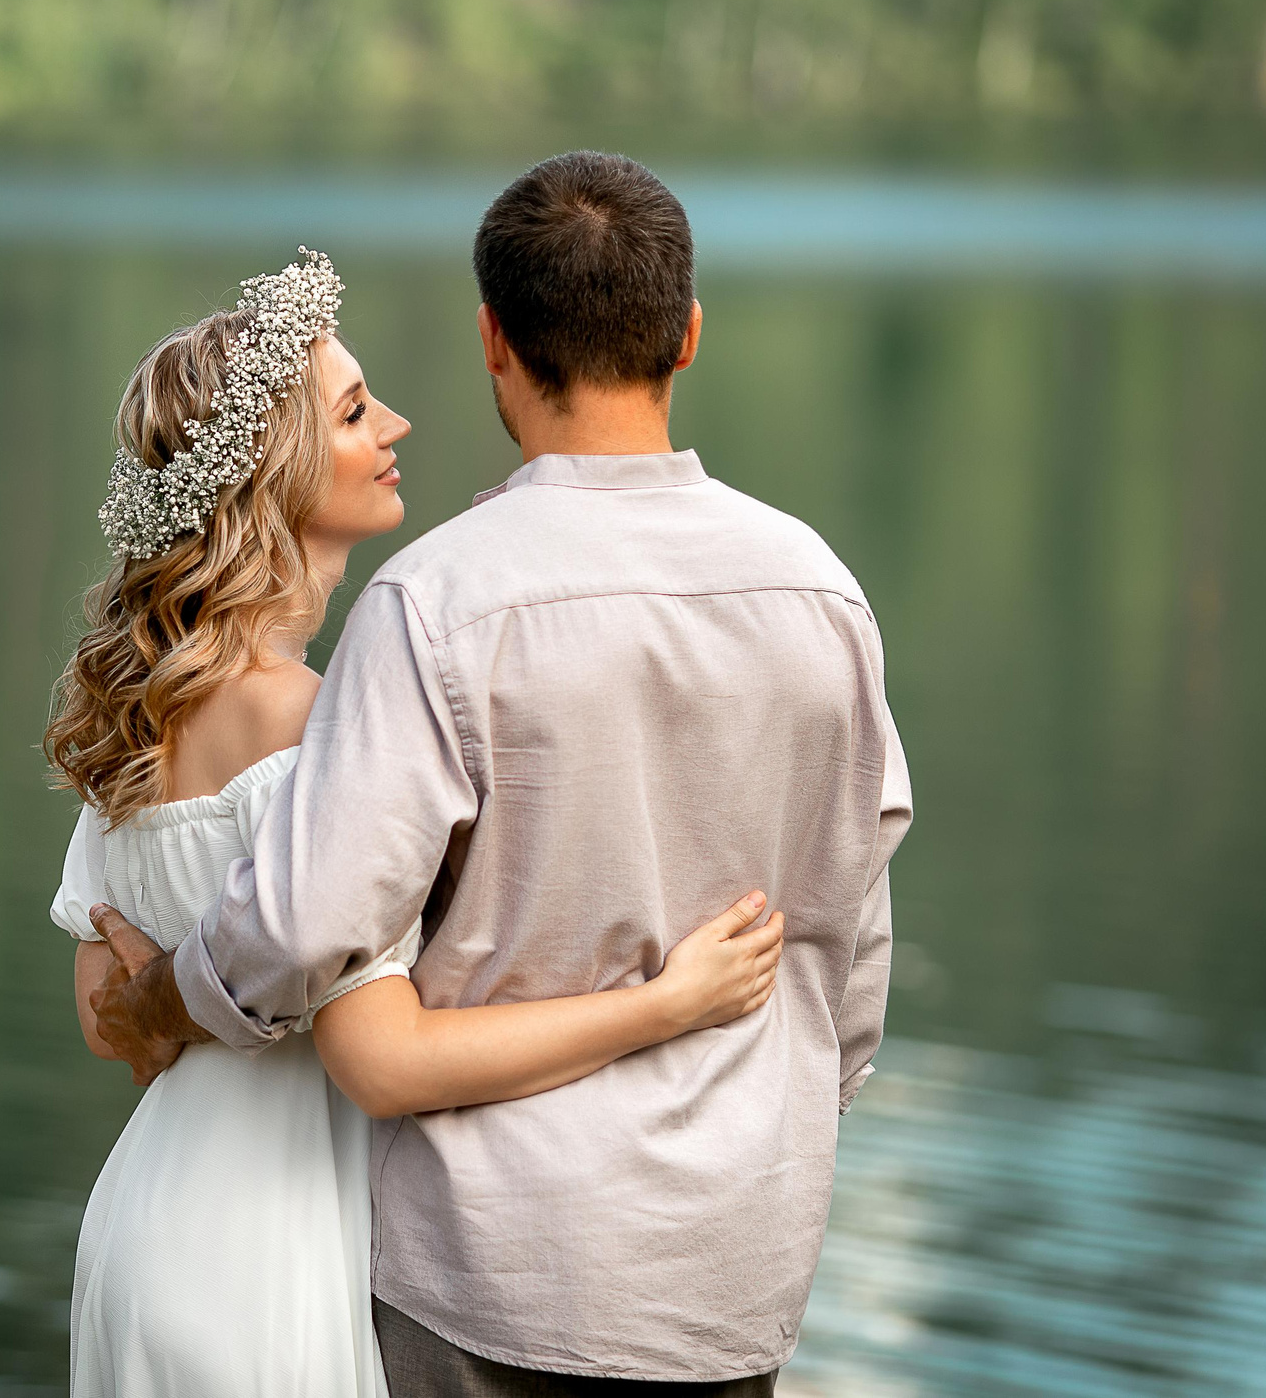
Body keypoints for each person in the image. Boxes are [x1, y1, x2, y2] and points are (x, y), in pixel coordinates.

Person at [88, 155, 913, 1396]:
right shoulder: (822, 594)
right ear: (688, 336)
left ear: (493, 341)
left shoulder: (438, 602)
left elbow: (304, 925)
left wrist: (161, 1006)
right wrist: (772, 1122)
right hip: (732, 1276)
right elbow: (851, 936)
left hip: (496, 1277)